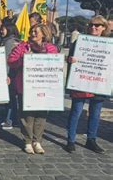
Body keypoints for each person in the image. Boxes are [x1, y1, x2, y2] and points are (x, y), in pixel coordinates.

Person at [8, 24, 59, 154]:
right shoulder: (21, 47)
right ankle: (27, 141)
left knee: (41, 115)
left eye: (36, 31)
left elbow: (55, 64)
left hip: (44, 86)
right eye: (32, 31)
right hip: (26, 87)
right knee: (27, 116)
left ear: (44, 34)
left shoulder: (51, 48)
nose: (33, 33)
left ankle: (37, 141)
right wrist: (22, 59)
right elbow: (11, 61)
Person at [65, 16, 111, 154]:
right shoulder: (80, 41)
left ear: (103, 27)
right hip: (81, 82)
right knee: (76, 112)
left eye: (97, 25)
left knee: (95, 114)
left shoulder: (109, 44)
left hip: (99, 84)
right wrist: (70, 59)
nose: (93, 27)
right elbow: (69, 58)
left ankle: (91, 139)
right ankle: (70, 141)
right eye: (91, 24)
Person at [0, 23, 21, 130]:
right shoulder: (16, 41)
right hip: (15, 74)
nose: (1, 31)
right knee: (13, 98)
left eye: (2, 29)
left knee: (10, 99)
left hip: (9, 74)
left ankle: (9, 120)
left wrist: (4, 75)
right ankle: (14, 119)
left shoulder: (9, 42)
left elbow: (5, 60)